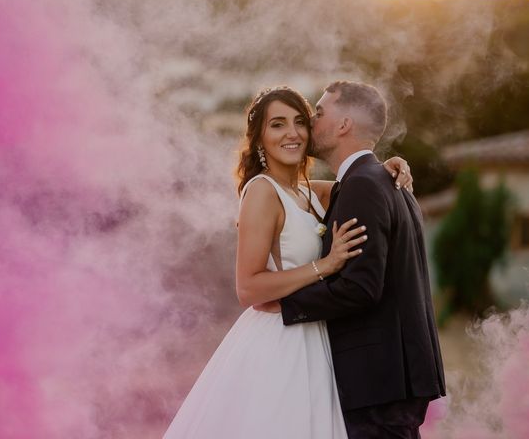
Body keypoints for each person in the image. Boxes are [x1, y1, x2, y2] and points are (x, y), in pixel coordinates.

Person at [163, 85, 413, 438]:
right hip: (280, 338)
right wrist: (323, 267)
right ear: (260, 138)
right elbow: (248, 288)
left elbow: (356, 181)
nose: (292, 133)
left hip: (319, 337)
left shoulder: (309, 192)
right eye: (277, 125)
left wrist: (386, 166)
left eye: (300, 121)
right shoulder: (262, 191)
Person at [265, 81, 447, 438]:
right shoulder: (384, 181)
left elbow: (361, 288)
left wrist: (286, 303)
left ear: (344, 125)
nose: (309, 123)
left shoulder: (365, 185)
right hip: (395, 376)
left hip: (376, 379)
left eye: (318, 114)